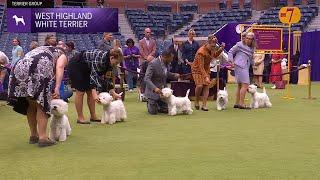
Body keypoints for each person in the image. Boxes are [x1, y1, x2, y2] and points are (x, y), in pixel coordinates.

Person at [7, 45, 68, 147]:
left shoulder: (43, 49)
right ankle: (43, 138)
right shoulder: (62, 54)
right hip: (39, 66)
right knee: (41, 103)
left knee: (31, 103)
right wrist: (57, 87)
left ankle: (33, 135)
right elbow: (60, 66)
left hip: (19, 66)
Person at [68, 49, 123, 124]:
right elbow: (94, 76)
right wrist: (95, 94)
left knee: (89, 92)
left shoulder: (110, 64)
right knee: (80, 91)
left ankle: (93, 116)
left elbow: (108, 78)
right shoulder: (100, 59)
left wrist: (113, 93)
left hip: (87, 67)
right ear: (112, 58)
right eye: (116, 62)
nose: (116, 64)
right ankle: (80, 117)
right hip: (77, 65)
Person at [191, 34, 224, 111]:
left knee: (206, 86)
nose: (214, 47)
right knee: (199, 85)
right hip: (197, 69)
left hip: (206, 69)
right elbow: (200, 66)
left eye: (215, 45)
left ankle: (204, 105)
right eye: (212, 45)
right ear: (208, 43)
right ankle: (196, 101)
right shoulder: (201, 52)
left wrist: (221, 49)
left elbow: (214, 55)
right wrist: (206, 76)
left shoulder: (212, 49)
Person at [144, 49, 180, 115]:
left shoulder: (166, 63)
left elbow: (165, 73)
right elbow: (146, 78)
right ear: (165, 57)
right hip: (153, 92)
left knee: (168, 109)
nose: (172, 60)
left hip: (163, 93)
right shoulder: (153, 64)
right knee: (153, 112)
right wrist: (155, 88)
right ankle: (151, 102)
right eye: (171, 58)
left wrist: (173, 75)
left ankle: (159, 104)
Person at [228, 32, 255, 109]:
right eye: (247, 38)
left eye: (250, 39)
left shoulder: (252, 48)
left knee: (240, 85)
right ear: (245, 38)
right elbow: (230, 51)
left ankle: (237, 103)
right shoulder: (239, 45)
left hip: (245, 66)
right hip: (240, 65)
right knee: (245, 84)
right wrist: (231, 61)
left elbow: (251, 58)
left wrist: (254, 64)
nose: (249, 40)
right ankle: (241, 103)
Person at [139, 28, 157, 97]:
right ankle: (142, 92)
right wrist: (146, 58)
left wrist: (150, 57)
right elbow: (141, 51)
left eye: (149, 32)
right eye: (147, 32)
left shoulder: (153, 41)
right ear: (144, 33)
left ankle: (150, 91)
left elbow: (154, 50)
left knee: (151, 77)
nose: (148, 34)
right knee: (143, 77)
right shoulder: (141, 41)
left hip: (151, 61)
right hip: (143, 61)